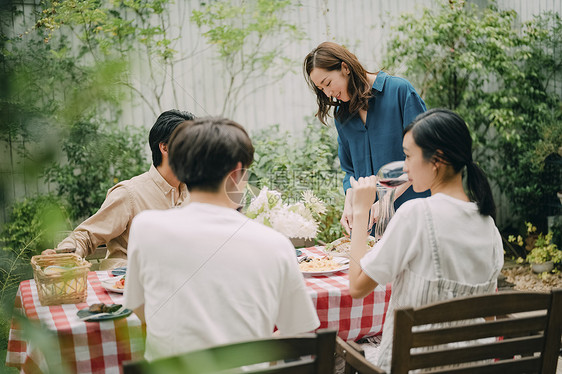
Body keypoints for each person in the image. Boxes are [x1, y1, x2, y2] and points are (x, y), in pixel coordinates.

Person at [123, 117, 320, 361]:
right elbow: (298, 332)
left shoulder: (146, 228)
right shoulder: (276, 244)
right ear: (237, 173)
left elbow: (138, 307)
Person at [347, 109, 504, 371]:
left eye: (408, 156)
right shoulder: (489, 227)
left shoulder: (416, 214)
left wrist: (361, 210)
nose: (405, 166)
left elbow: (357, 287)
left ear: (437, 159)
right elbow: (488, 315)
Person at [304, 41, 430, 235]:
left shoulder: (400, 91)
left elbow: (424, 155)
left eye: (328, 83)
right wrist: (350, 202)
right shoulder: (342, 115)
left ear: (344, 67)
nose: (328, 93)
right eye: (321, 89)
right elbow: (350, 171)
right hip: (373, 228)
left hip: (414, 219)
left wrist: (386, 200)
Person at [43, 110, 194, 270]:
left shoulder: (194, 194)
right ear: (165, 148)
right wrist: (62, 256)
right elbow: (87, 235)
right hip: (125, 286)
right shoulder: (129, 194)